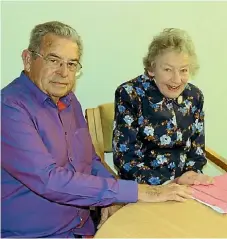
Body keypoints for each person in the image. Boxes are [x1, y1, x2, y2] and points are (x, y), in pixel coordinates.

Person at [1, 21, 192, 238]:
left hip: (83, 228)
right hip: (35, 234)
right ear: (28, 59)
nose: (64, 72)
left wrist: (112, 198)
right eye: (54, 60)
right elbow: (49, 180)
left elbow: (89, 161)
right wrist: (137, 191)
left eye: (72, 64)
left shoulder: (69, 101)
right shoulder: (8, 108)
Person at [112, 28, 213, 186]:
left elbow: (197, 151)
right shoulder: (130, 94)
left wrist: (191, 176)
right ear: (151, 69)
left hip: (184, 188)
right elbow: (125, 160)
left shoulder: (194, 96)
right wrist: (168, 184)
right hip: (144, 190)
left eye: (183, 70)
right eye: (167, 70)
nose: (177, 79)